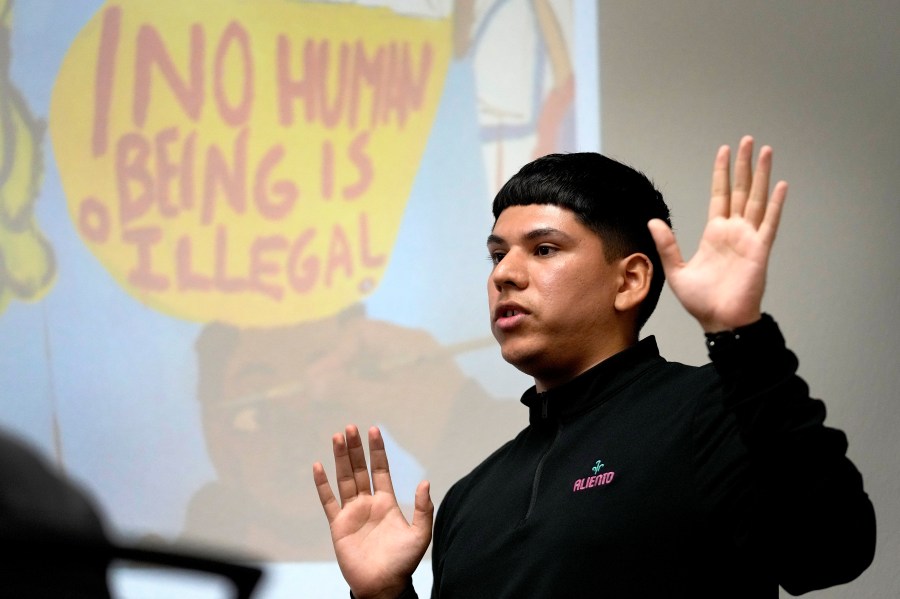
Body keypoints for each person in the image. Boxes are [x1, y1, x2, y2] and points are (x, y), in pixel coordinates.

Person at [311, 137, 876, 598]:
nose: (504, 273)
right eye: (496, 254)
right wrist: (385, 594)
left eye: (544, 249)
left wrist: (740, 334)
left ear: (630, 280)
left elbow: (831, 551)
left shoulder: (711, 410)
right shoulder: (469, 499)